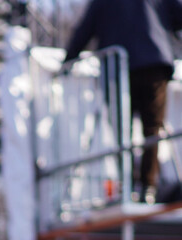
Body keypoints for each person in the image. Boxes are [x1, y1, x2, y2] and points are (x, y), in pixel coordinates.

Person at [64, 0, 182, 205]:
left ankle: (129, 186)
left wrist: (68, 60)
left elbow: (85, 28)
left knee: (122, 132)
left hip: (117, 68)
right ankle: (148, 187)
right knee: (152, 129)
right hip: (153, 63)